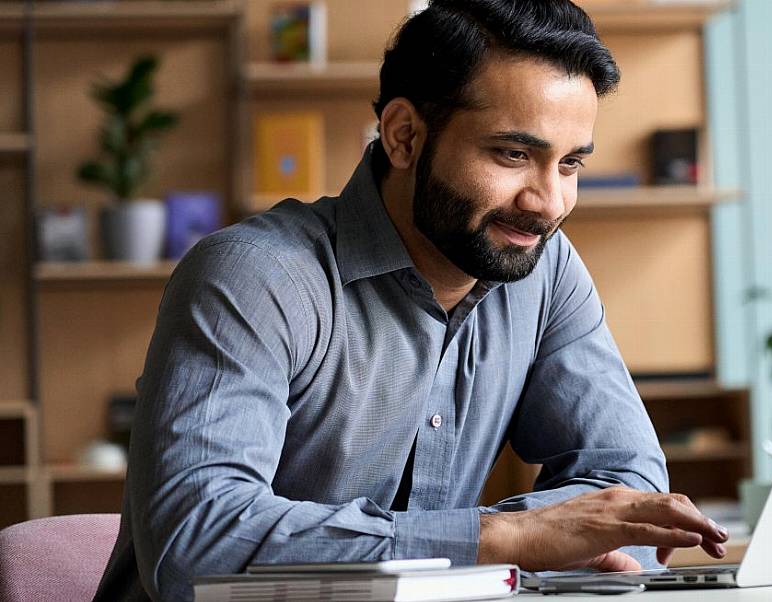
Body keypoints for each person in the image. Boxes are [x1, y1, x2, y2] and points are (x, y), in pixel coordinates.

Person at [94, 1, 727, 599]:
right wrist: (506, 540)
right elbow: (194, 546)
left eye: (570, 166)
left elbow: (633, 490)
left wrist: (548, 540)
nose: (548, 203)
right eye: (513, 153)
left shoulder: (545, 271)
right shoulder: (256, 277)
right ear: (403, 136)